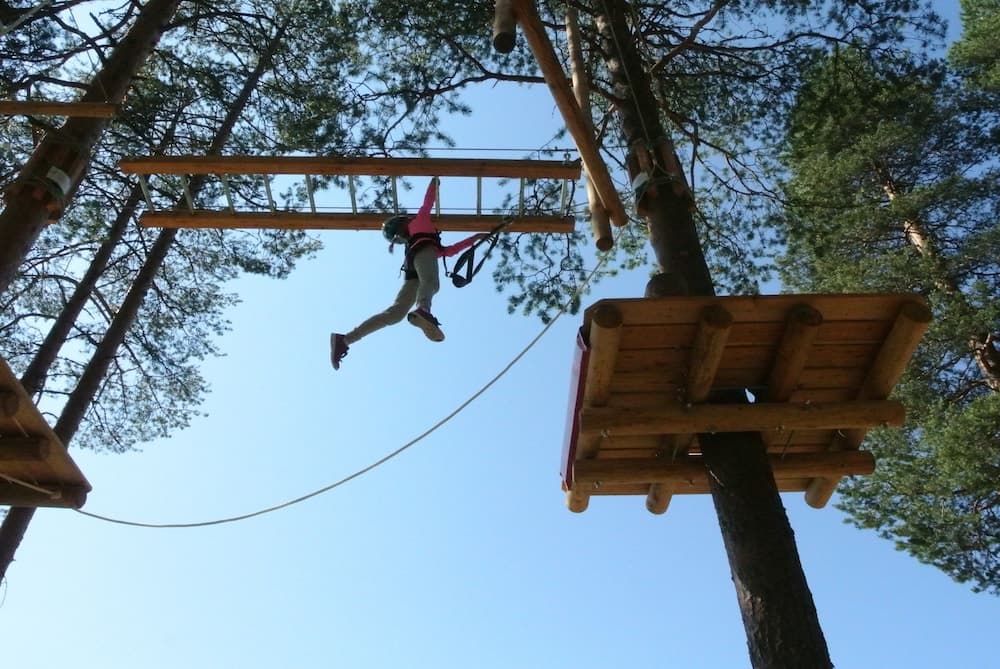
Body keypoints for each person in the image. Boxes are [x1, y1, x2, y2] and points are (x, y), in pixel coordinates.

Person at [330, 177, 486, 370]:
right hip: (422, 257)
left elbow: (450, 250)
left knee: (394, 314)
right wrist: (434, 183)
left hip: (413, 270)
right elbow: (428, 203)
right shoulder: (419, 223)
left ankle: (345, 339)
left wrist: (474, 238)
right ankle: (423, 309)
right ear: (404, 224)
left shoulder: (415, 239)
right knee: (431, 282)